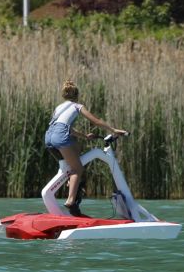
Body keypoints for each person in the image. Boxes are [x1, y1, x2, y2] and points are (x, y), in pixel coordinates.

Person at [43, 81, 127, 216]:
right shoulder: (77, 106)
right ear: (77, 95)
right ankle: (70, 200)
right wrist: (113, 129)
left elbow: (63, 127)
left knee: (76, 150)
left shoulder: (58, 107)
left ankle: (70, 182)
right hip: (60, 137)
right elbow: (96, 121)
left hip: (48, 137)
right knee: (78, 169)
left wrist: (84, 136)